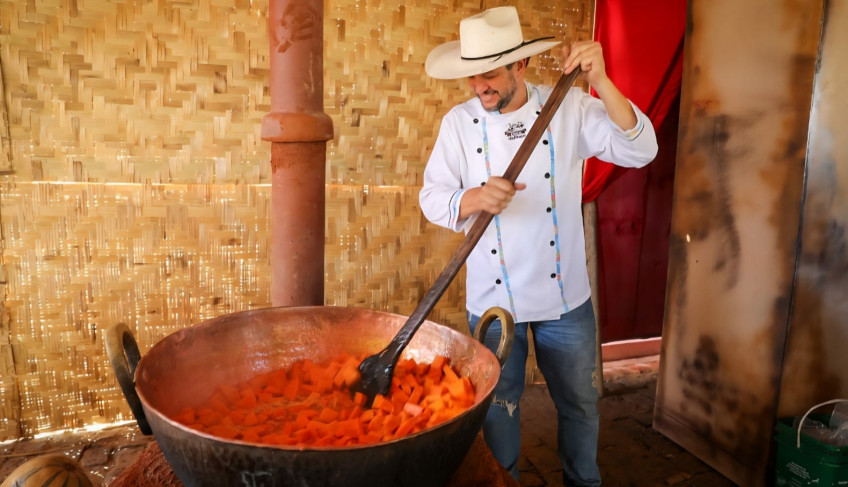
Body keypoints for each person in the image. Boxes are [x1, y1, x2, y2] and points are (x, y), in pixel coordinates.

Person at [419, 6, 658, 486]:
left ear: (519, 67)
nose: (479, 86)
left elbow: (640, 148)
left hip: (565, 299)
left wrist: (604, 83)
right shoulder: (458, 125)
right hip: (493, 303)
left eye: (489, 74)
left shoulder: (567, 107)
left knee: (581, 407)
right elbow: (432, 198)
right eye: (472, 77)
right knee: (497, 413)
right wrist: (474, 197)